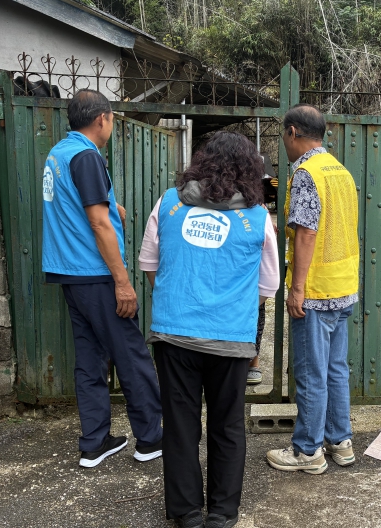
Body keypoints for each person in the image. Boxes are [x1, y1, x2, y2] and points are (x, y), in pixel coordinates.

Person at [139, 132, 279, 528]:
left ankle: (186, 513)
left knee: (180, 425)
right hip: (231, 339)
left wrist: (179, 302)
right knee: (228, 425)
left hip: (174, 334)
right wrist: (233, 307)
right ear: (250, 169)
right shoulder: (257, 217)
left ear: (201, 162)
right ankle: (222, 513)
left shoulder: (168, 203)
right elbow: (269, 284)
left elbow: (149, 264)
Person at [41, 89, 163, 468]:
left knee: (89, 359)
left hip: (69, 274)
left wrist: (113, 208)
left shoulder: (59, 153)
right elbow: (96, 222)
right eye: (111, 119)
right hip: (95, 273)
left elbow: (77, 205)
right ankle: (151, 438)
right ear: (102, 119)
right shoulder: (86, 156)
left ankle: (94, 442)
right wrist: (122, 282)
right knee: (132, 355)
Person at [266, 104, 359, 475]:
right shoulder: (339, 170)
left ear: (292, 132)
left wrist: (297, 289)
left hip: (317, 292)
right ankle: (340, 442)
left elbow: (306, 233)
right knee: (335, 370)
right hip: (344, 285)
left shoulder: (306, 173)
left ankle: (307, 451)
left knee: (311, 374)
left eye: (282, 136)